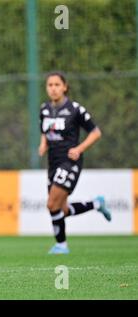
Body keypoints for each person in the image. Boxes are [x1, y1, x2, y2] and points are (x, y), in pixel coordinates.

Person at [38, 71, 112, 255]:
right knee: (61, 209)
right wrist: (43, 144)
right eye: (50, 85)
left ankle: (61, 246)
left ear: (65, 87)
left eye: (57, 85)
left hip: (70, 162)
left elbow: (95, 132)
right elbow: (45, 131)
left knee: (52, 205)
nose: (53, 88)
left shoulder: (75, 109)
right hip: (53, 162)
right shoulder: (44, 109)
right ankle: (96, 204)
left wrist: (79, 149)